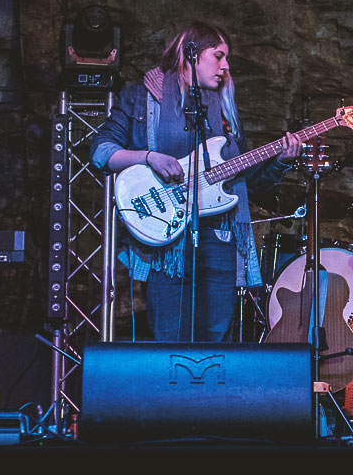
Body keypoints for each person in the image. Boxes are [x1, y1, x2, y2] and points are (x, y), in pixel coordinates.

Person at [90, 21, 298, 342]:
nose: (226, 66)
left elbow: (251, 185)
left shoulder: (225, 109)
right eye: (218, 56)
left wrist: (282, 160)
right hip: (166, 237)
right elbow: (102, 152)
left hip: (218, 237)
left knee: (216, 335)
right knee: (168, 335)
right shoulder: (141, 98)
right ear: (191, 56)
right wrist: (148, 157)